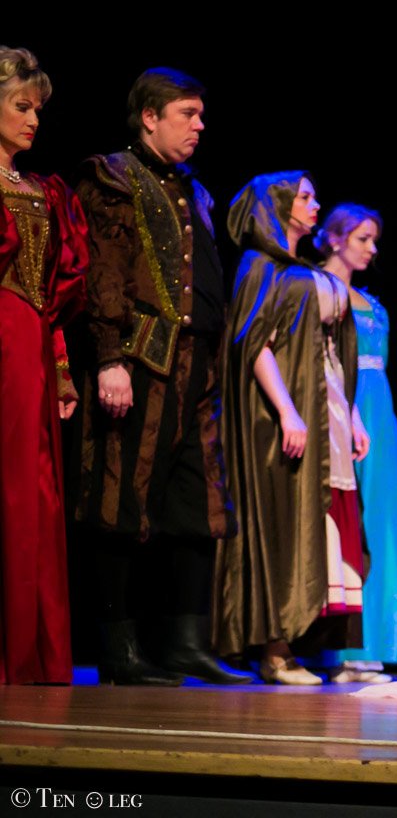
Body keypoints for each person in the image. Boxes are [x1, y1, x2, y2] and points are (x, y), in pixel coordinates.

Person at [74, 67, 246, 686]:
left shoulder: (192, 187)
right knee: (121, 496)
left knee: (196, 502)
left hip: (198, 363)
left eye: (200, 115)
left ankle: (185, 642)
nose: (200, 126)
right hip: (142, 358)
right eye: (187, 115)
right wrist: (110, 357)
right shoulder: (114, 176)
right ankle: (119, 648)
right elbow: (105, 270)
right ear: (150, 117)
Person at [215, 173, 368, 684]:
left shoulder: (297, 270)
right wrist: (286, 410)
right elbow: (254, 343)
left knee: (324, 519)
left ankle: (311, 648)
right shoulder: (261, 267)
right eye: (304, 196)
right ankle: (276, 651)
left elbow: (331, 352)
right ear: (277, 206)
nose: (314, 204)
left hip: (327, 408)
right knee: (285, 520)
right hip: (287, 413)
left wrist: (352, 414)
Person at [0, 47, 89, 684]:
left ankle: (32, 649)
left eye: (37, 109)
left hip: (31, 346)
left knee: (36, 490)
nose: (33, 120)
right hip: (1, 343)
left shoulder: (43, 191)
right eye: (20, 106)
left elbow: (51, 298)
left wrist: (60, 368)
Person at [316, 205, 397, 682]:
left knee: (383, 522)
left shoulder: (370, 301)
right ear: (335, 238)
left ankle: (377, 644)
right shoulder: (315, 288)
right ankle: (341, 650)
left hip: (380, 416)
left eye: (374, 239)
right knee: (346, 526)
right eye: (362, 238)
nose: (372, 248)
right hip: (342, 406)